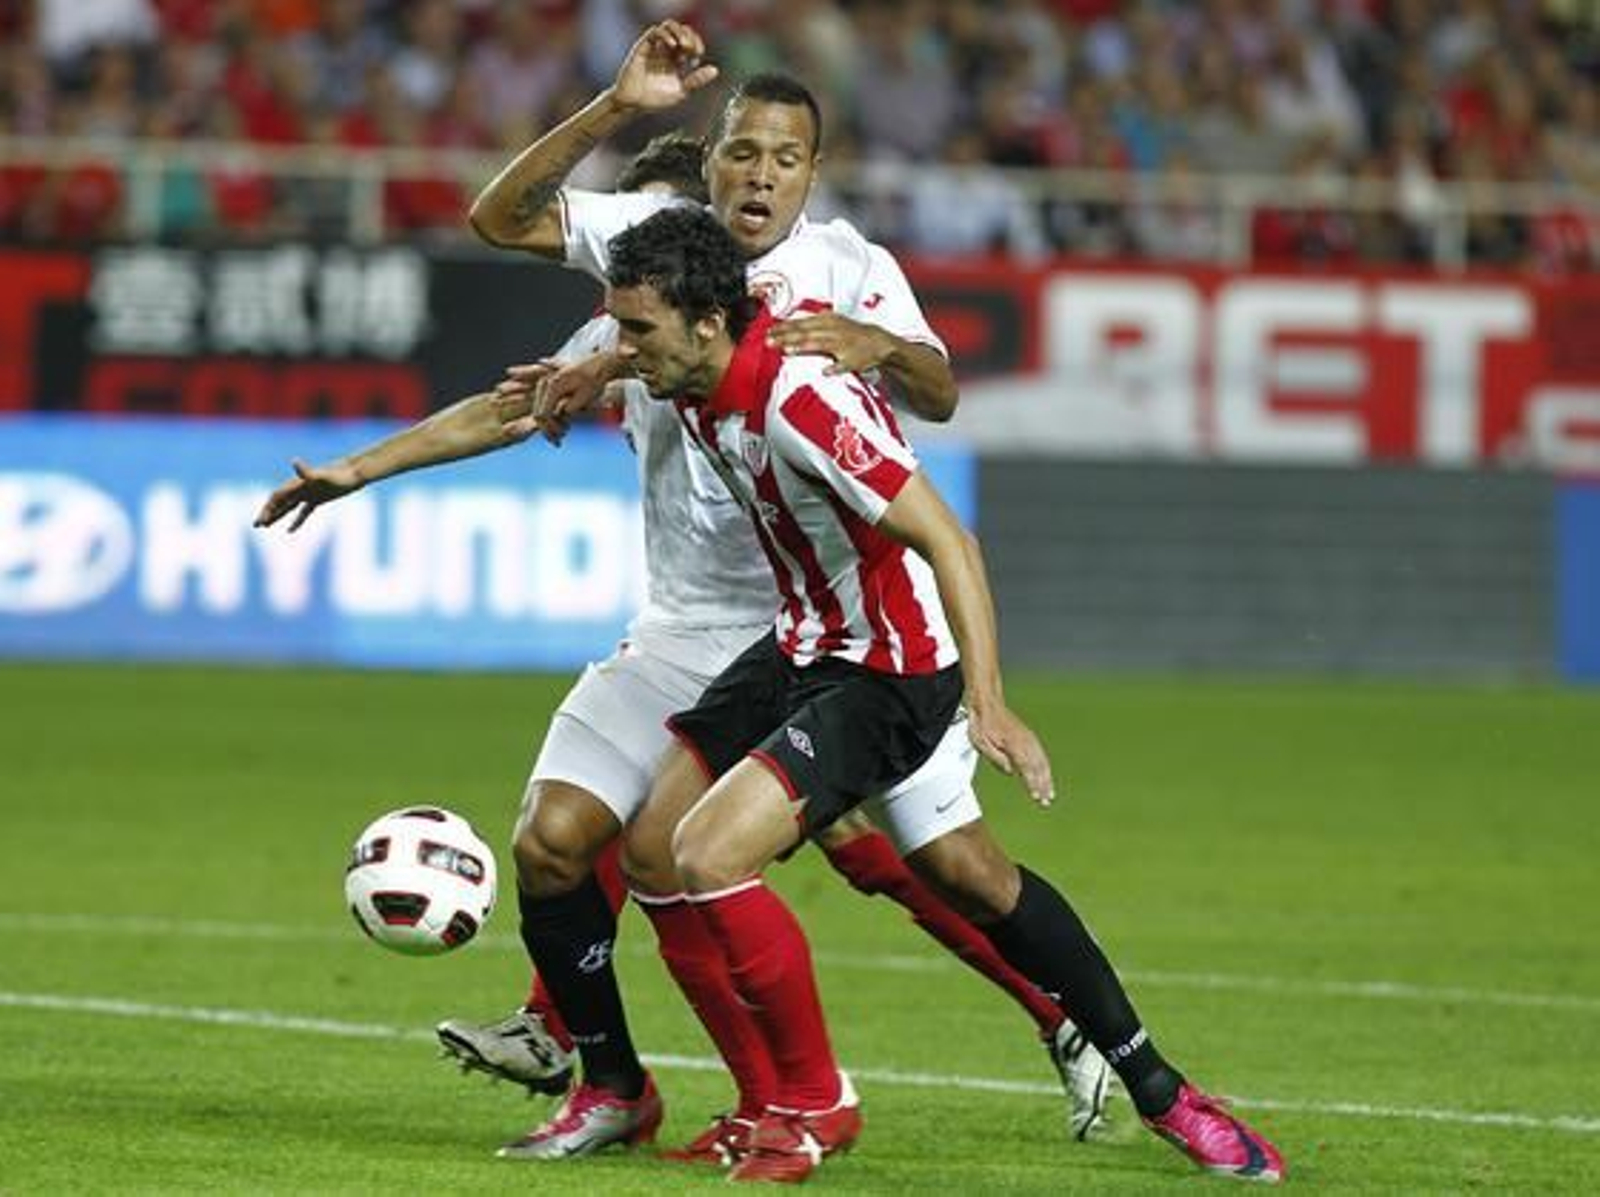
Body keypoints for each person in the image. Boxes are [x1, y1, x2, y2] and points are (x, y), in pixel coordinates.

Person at [255, 125, 1113, 1162]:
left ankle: (1044, 1016)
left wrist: (882, 346)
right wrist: (354, 471)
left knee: (924, 861)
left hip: (812, 639)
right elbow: (504, 401)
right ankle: (619, 1082)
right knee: (559, 838)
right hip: (676, 631)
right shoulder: (627, 338)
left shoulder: (806, 305)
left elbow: (932, 398)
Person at [603, 204, 1288, 1185]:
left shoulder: (800, 402)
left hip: (888, 671)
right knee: (923, 867)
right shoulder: (696, 371)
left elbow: (949, 540)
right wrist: (585, 370)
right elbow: (631, 352)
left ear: (706, 325)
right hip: (800, 646)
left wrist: (991, 702)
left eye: (637, 332)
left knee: (712, 851)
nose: (628, 350)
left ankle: (826, 1107)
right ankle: (765, 1105)